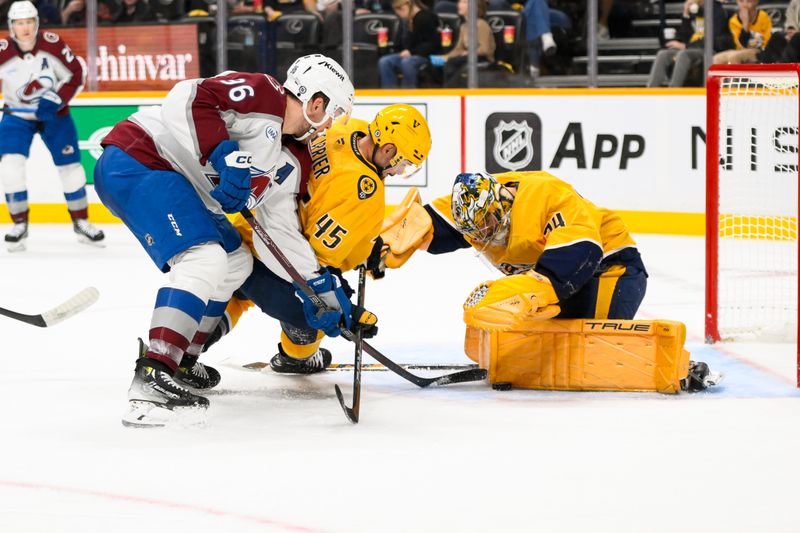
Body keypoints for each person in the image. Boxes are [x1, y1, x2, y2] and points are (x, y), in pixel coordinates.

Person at [93, 54, 355, 427]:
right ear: (317, 102)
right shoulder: (264, 94)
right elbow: (187, 97)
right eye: (334, 113)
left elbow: (278, 229)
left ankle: (182, 361)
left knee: (236, 261)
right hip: (141, 157)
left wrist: (316, 286)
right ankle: (155, 369)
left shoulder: (291, 155)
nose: (331, 125)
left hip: (175, 182)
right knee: (205, 259)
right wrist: (222, 152)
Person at [371, 171, 720, 391]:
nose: (484, 238)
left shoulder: (547, 196)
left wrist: (526, 294)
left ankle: (677, 368)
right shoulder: (477, 205)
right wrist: (379, 245)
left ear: (500, 205)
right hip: (552, 276)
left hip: (610, 269)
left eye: (488, 229)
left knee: (595, 344)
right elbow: (425, 222)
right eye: (475, 234)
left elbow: (581, 253)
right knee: (529, 332)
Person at [204, 104, 432, 374]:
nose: (398, 171)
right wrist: (346, 304)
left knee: (238, 292)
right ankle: (297, 357)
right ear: (388, 150)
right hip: (275, 255)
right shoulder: (363, 193)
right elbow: (316, 259)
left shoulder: (348, 127)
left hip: (246, 224)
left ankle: (182, 346)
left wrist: (366, 244)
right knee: (318, 313)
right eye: (403, 163)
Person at [0, 1, 105, 252]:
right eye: (19, 23)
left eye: (28, 22)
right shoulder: (2, 49)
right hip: (16, 115)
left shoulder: (52, 43)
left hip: (54, 115)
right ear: (11, 26)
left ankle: (81, 221)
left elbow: (76, 74)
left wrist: (55, 99)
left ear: (37, 23)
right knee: (10, 166)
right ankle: (19, 224)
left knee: (70, 168)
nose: (24, 28)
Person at [647, 0, 731, 88]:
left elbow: (712, 38)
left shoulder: (717, 11)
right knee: (663, 54)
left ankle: (673, 89)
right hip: (691, 48)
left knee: (683, 54)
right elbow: (684, 36)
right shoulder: (694, 10)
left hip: (709, 49)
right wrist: (686, 15)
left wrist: (685, 46)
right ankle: (650, 89)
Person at [429, 0, 495, 88]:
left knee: (453, 63)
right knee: (436, 64)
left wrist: (469, 53)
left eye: (464, 2)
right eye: (460, 2)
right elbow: (458, 49)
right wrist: (446, 57)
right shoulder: (463, 26)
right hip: (466, 57)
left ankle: (450, 89)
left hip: (481, 58)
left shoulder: (481, 24)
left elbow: (485, 49)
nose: (459, 4)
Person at [378, 0, 440, 88]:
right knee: (385, 61)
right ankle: (389, 94)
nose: (398, 15)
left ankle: (408, 94)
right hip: (409, 54)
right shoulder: (406, 21)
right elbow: (401, 44)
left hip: (426, 56)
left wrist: (411, 52)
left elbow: (432, 44)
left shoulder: (426, 17)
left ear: (403, 8)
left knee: (407, 62)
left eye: (398, 12)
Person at [713, 0, 771, 65]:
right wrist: (745, 24)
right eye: (741, 1)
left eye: (749, 1)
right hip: (739, 49)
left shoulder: (763, 17)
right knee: (716, 59)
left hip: (759, 51)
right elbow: (740, 43)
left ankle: (739, 75)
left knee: (735, 57)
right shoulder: (733, 20)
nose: (745, 4)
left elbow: (766, 41)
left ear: (756, 2)